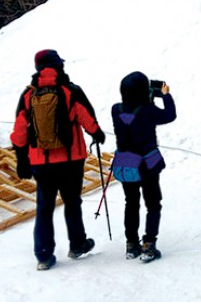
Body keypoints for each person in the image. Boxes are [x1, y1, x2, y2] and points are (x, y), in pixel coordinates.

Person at [11, 49, 104, 271]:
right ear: (58, 66)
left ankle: (43, 256)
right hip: (71, 161)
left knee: (44, 207)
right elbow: (86, 118)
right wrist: (97, 134)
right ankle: (77, 244)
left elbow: (19, 132)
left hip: (41, 163)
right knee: (72, 202)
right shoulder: (71, 90)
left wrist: (22, 160)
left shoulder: (28, 95)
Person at [111, 72, 176, 263]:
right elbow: (170, 115)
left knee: (131, 203)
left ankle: (131, 245)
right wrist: (165, 95)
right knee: (153, 204)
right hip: (147, 164)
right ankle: (148, 245)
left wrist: (147, 97)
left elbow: (133, 114)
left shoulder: (116, 109)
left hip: (126, 164)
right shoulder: (149, 111)